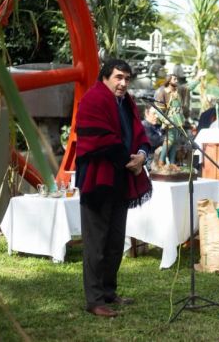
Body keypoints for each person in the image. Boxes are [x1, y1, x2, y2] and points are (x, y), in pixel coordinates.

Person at [75, 59, 152, 318]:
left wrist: (142, 155)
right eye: (118, 77)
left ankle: (108, 292)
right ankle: (94, 300)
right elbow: (99, 139)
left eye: (127, 79)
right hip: (97, 181)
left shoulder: (127, 103)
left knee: (115, 241)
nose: (123, 83)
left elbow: (139, 133)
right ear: (105, 77)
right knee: (96, 244)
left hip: (121, 179)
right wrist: (130, 162)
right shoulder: (92, 100)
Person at [141, 105, 164, 170]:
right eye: (154, 114)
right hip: (149, 162)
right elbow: (154, 141)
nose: (157, 116)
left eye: (158, 114)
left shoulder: (158, 126)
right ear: (146, 113)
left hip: (158, 161)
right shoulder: (144, 125)